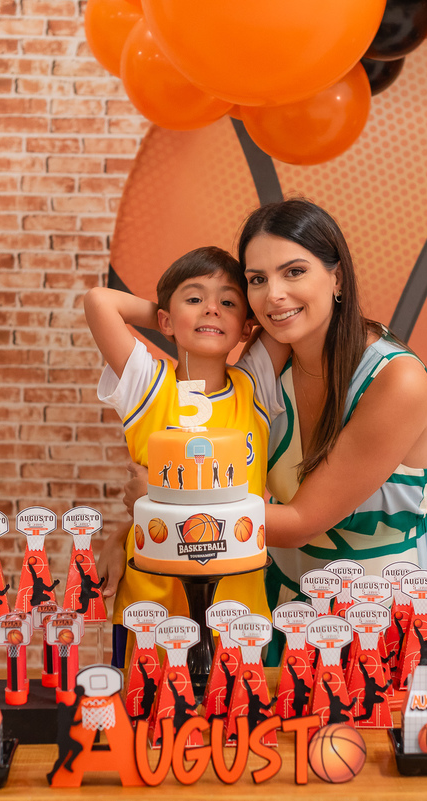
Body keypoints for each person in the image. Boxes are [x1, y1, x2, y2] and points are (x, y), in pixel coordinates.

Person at [238, 198, 427, 662]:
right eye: (257, 280)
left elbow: (299, 524)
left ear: (337, 277)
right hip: (283, 611)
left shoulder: (397, 379)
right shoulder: (271, 361)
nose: (273, 294)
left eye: (294, 272)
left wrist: (170, 519)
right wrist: (126, 535)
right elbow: (193, 436)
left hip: (378, 622)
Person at [85, 246, 282, 666]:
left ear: (246, 326)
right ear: (164, 321)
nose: (212, 310)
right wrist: (172, 311)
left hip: (236, 601)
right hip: (152, 601)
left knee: (234, 720)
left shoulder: (254, 386)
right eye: (195, 299)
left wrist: (192, 308)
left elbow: (278, 322)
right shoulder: (147, 383)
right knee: (154, 719)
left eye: (228, 303)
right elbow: (99, 301)